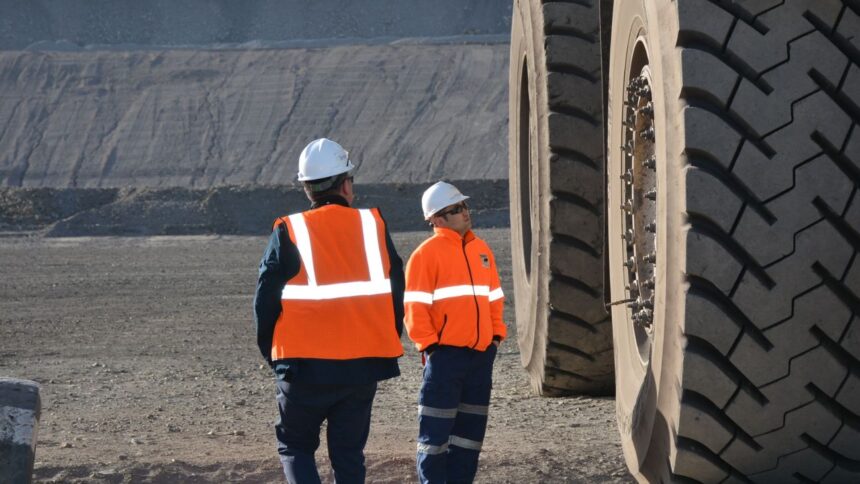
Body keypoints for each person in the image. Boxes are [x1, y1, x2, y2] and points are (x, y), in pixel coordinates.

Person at [254, 138, 405, 483]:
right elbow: (396, 288)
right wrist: (382, 340)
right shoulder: (374, 226)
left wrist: (273, 355)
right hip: (363, 366)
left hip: (303, 368)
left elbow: (265, 299)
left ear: (308, 189)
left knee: (295, 446)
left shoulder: (288, 229)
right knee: (349, 455)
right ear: (346, 184)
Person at [403, 181, 507, 484]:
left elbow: (494, 298)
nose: (465, 212)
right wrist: (431, 347)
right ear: (437, 219)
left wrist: (495, 338)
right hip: (445, 359)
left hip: (479, 358)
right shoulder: (426, 255)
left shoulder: (481, 250)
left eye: (464, 206)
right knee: (434, 438)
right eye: (456, 209)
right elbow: (415, 307)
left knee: (469, 438)